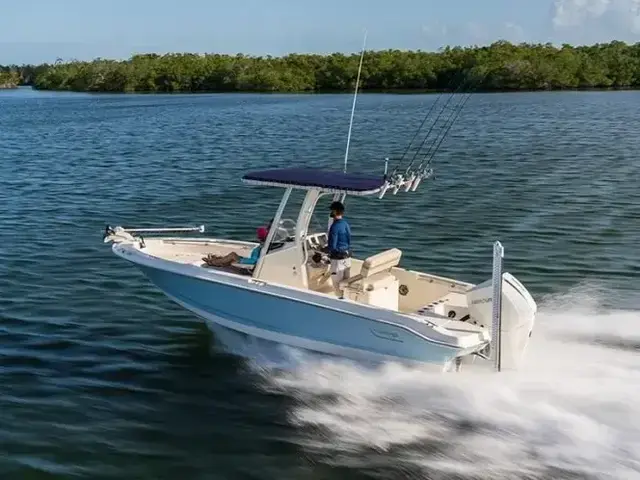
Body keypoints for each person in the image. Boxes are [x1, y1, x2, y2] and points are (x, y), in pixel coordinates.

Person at [203, 226, 268, 268]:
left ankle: (212, 262)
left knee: (232, 255)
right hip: (249, 260)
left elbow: (254, 261)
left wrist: (241, 261)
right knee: (231, 257)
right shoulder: (264, 246)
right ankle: (217, 259)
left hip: (249, 263)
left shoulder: (260, 248)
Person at [326, 201, 351, 297]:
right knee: (346, 283)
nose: (330, 212)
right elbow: (348, 239)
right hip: (347, 257)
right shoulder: (345, 224)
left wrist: (324, 249)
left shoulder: (334, 226)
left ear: (335, 211)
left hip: (338, 260)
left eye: (331, 210)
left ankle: (340, 301)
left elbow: (332, 245)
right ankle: (347, 299)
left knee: (337, 284)